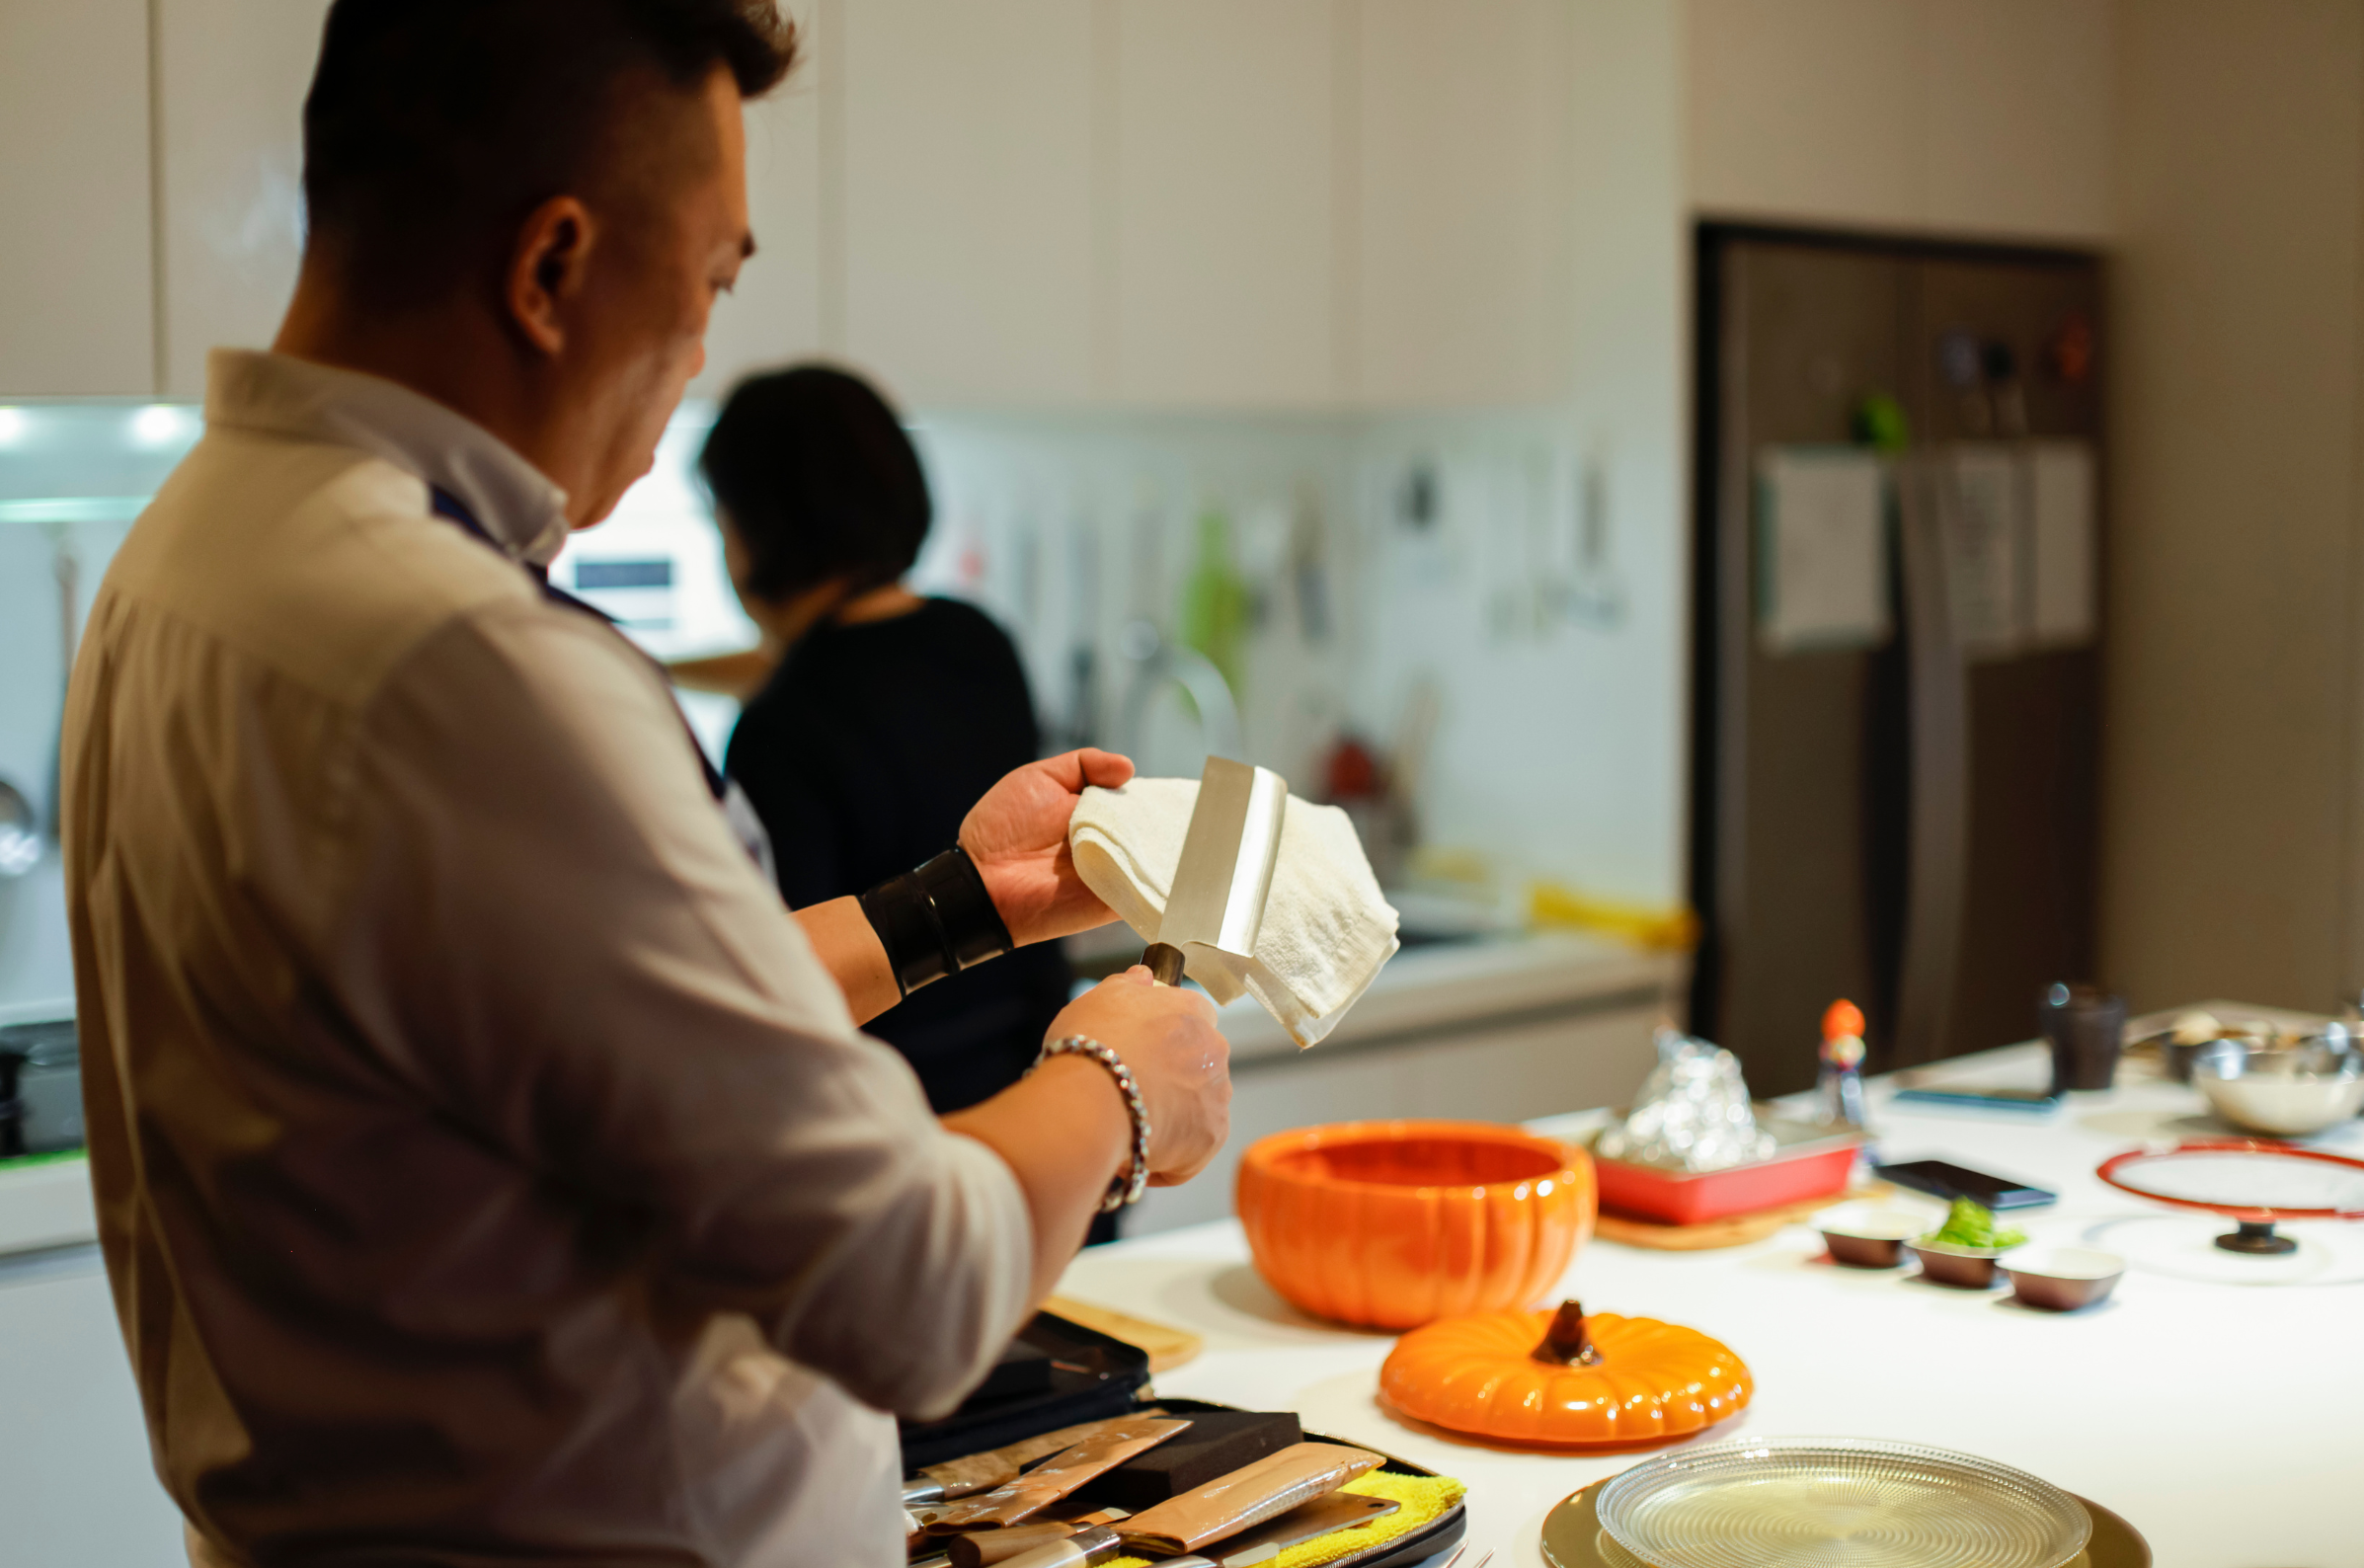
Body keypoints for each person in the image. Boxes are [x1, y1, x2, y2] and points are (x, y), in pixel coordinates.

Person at [57, 4, 1230, 1566]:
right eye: (709, 279)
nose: (697, 347)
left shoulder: (191, 555)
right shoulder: (468, 667)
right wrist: (1120, 1075)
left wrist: (962, 906)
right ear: (550, 269)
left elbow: (606, 1010)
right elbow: (910, 1288)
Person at [675, 365, 1073, 1121]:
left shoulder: (782, 725)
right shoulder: (977, 643)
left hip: (896, 1133)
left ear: (756, 528)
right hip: (1041, 1093)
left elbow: (795, 988)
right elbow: (850, 674)